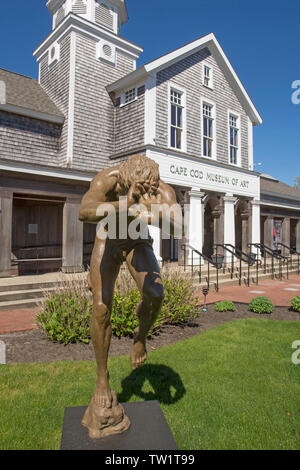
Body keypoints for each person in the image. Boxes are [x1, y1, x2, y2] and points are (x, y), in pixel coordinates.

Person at [78, 154, 182, 410]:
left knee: (155, 294)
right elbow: (84, 212)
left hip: (137, 241)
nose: (147, 194)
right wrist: (127, 203)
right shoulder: (108, 180)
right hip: (108, 238)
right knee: (101, 307)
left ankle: (140, 338)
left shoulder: (161, 189)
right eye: (139, 190)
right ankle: (102, 379)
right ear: (123, 182)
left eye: (150, 190)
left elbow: (177, 225)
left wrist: (152, 216)